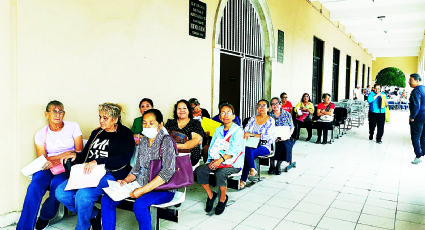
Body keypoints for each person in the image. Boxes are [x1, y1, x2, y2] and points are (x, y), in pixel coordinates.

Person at [56, 103, 134, 230]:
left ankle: (82, 227)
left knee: (83, 195)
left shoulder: (125, 134)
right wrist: (75, 156)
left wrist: (97, 161)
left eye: (105, 118)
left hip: (110, 173)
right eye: (100, 117)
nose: (101, 121)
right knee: (60, 192)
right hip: (89, 171)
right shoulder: (97, 132)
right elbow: (86, 155)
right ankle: (94, 214)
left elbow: (123, 158)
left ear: (115, 119)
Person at [101, 109, 177, 230]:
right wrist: (125, 181)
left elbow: (167, 172)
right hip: (140, 184)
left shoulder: (167, 141)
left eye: (151, 123)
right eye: (144, 123)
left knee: (140, 205)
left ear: (160, 125)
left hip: (162, 188)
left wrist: (142, 190)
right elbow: (136, 168)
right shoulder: (143, 141)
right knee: (107, 199)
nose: (147, 126)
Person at [17, 101, 83, 230]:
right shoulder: (41, 134)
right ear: (46, 114)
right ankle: (24, 228)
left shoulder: (73, 126)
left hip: (67, 166)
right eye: (54, 111)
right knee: (35, 186)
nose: (57, 114)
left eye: (60, 111)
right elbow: (42, 158)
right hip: (48, 166)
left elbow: (79, 151)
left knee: (56, 185)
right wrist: (64, 154)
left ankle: (46, 216)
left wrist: (57, 158)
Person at [195, 103, 244, 215]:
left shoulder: (237, 131)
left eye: (228, 113)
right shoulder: (218, 130)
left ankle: (222, 198)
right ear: (220, 117)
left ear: (233, 116)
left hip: (233, 163)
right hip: (216, 160)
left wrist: (219, 161)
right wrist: (212, 160)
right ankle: (211, 195)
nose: (225, 115)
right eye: (223, 112)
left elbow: (234, 151)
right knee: (199, 170)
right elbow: (213, 147)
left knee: (220, 173)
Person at [240, 99, 275, 188]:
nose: (261, 107)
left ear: (268, 108)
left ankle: (243, 179)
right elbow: (245, 131)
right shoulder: (253, 118)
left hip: (264, 145)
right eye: (259, 106)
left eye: (264, 106)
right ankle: (252, 169)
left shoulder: (271, 120)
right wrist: (250, 135)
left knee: (248, 153)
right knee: (248, 149)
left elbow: (266, 136)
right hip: (251, 144)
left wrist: (252, 134)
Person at [165, 99, 204, 166]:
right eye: (179, 108)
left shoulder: (195, 123)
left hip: (190, 157)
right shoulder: (170, 123)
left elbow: (196, 140)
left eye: (184, 108)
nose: (182, 110)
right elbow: (163, 139)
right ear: (176, 111)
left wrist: (176, 146)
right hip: (171, 156)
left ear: (189, 110)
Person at [268, 97, 294, 175]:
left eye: (277, 103)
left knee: (284, 145)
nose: (275, 105)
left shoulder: (287, 114)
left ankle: (278, 166)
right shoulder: (268, 115)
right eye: (273, 104)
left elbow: (291, 127)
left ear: (280, 104)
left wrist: (287, 136)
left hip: (284, 138)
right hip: (271, 138)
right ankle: (271, 166)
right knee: (270, 146)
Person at [409, 73, 425, 164]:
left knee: (415, 136)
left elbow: (416, 105)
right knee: (423, 136)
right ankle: (423, 152)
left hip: (418, 117)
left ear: (417, 80)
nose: (409, 82)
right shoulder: (424, 88)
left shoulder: (416, 90)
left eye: (411, 80)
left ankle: (418, 156)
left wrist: (412, 117)